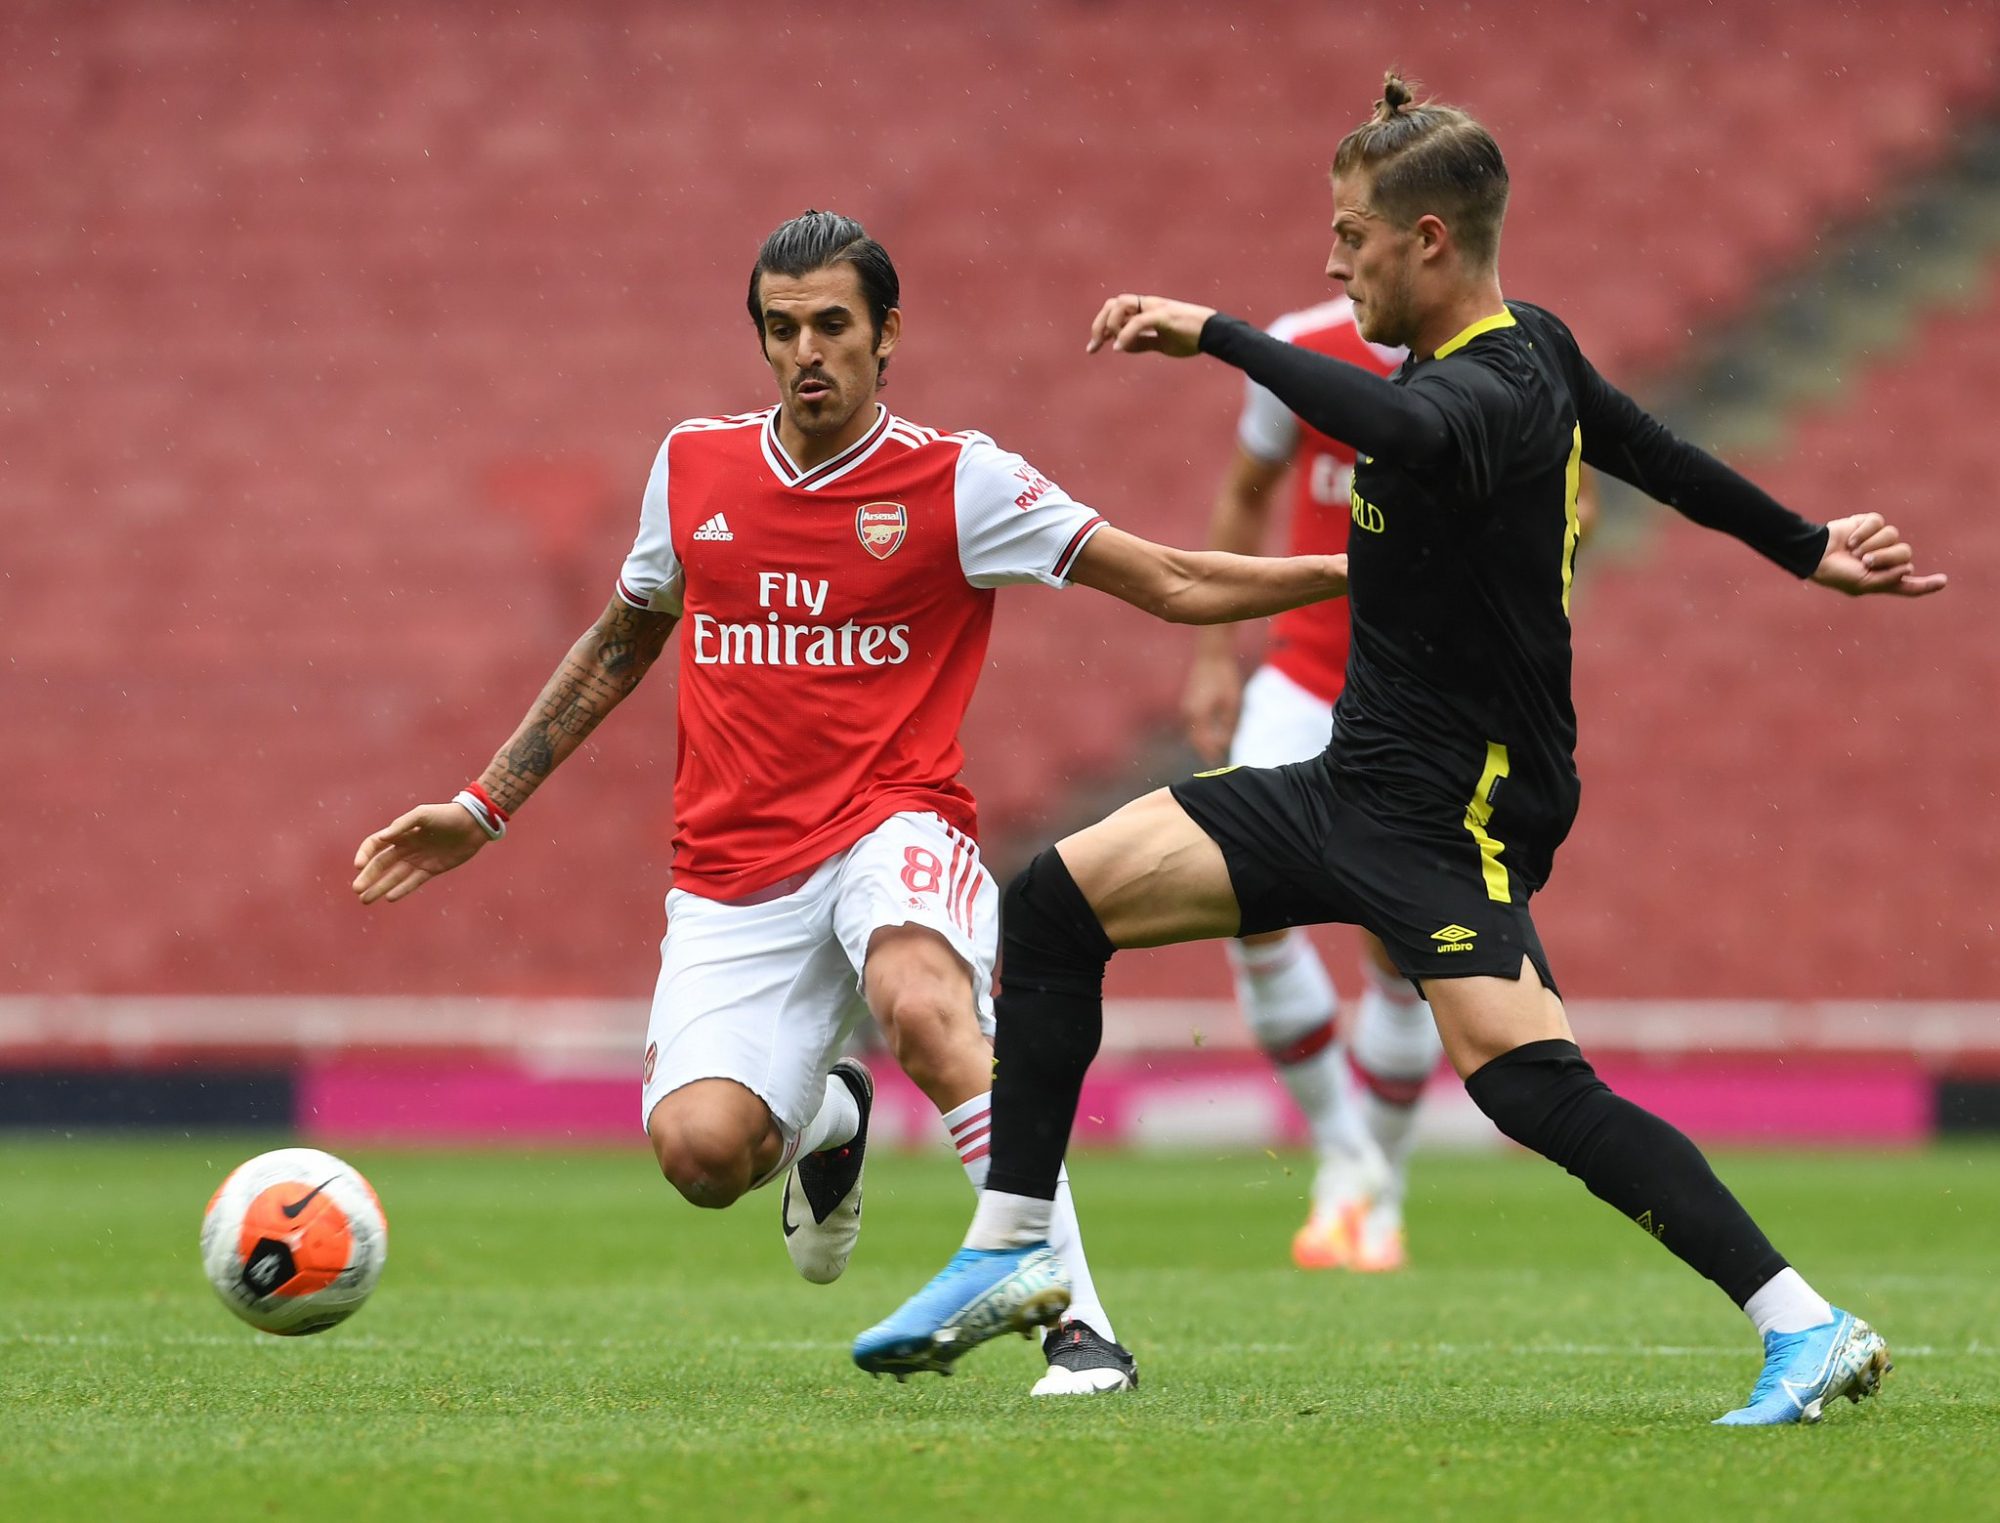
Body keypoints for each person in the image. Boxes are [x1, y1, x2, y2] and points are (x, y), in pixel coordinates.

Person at [855, 78, 1943, 1426]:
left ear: (1428, 240)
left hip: (1455, 813)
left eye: (1350, 235)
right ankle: (1015, 1239)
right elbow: (1653, 451)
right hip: (1350, 780)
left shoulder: (1485, 387)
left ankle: (1805, 1322)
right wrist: (1804, 543)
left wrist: (1221, 335)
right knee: (1056, 898)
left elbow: (1405, 430)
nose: (1333, 261)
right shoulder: (1532, 350)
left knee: (1528, 1086)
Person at [351, 210, 1350, 1397]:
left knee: (924, 1007)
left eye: (831, 323)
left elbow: (1173, 578)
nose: (806, 351)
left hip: (894, 819)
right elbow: (623, 637)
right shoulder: (694, 466)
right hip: (731, 871)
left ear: (888, 334)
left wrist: (1361, 570)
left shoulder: (959, 480)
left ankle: (1078, 1328)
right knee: (701, 1156)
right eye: (781, 329)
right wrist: (483, 804)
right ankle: (827, 1118)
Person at [1188, 301, 1599, 1270]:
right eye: (1341, 232)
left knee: (1400, 939)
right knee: (1235, 895)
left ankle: (1379, 1192)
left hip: (1422, 691)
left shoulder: (1506, 356)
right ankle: (1348, 1157)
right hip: (1301, 673)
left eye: (1358, 232)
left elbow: (1576, 508)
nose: (1345, 254)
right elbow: (1245, 493)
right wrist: (1212, 657)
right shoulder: (1299, 347)